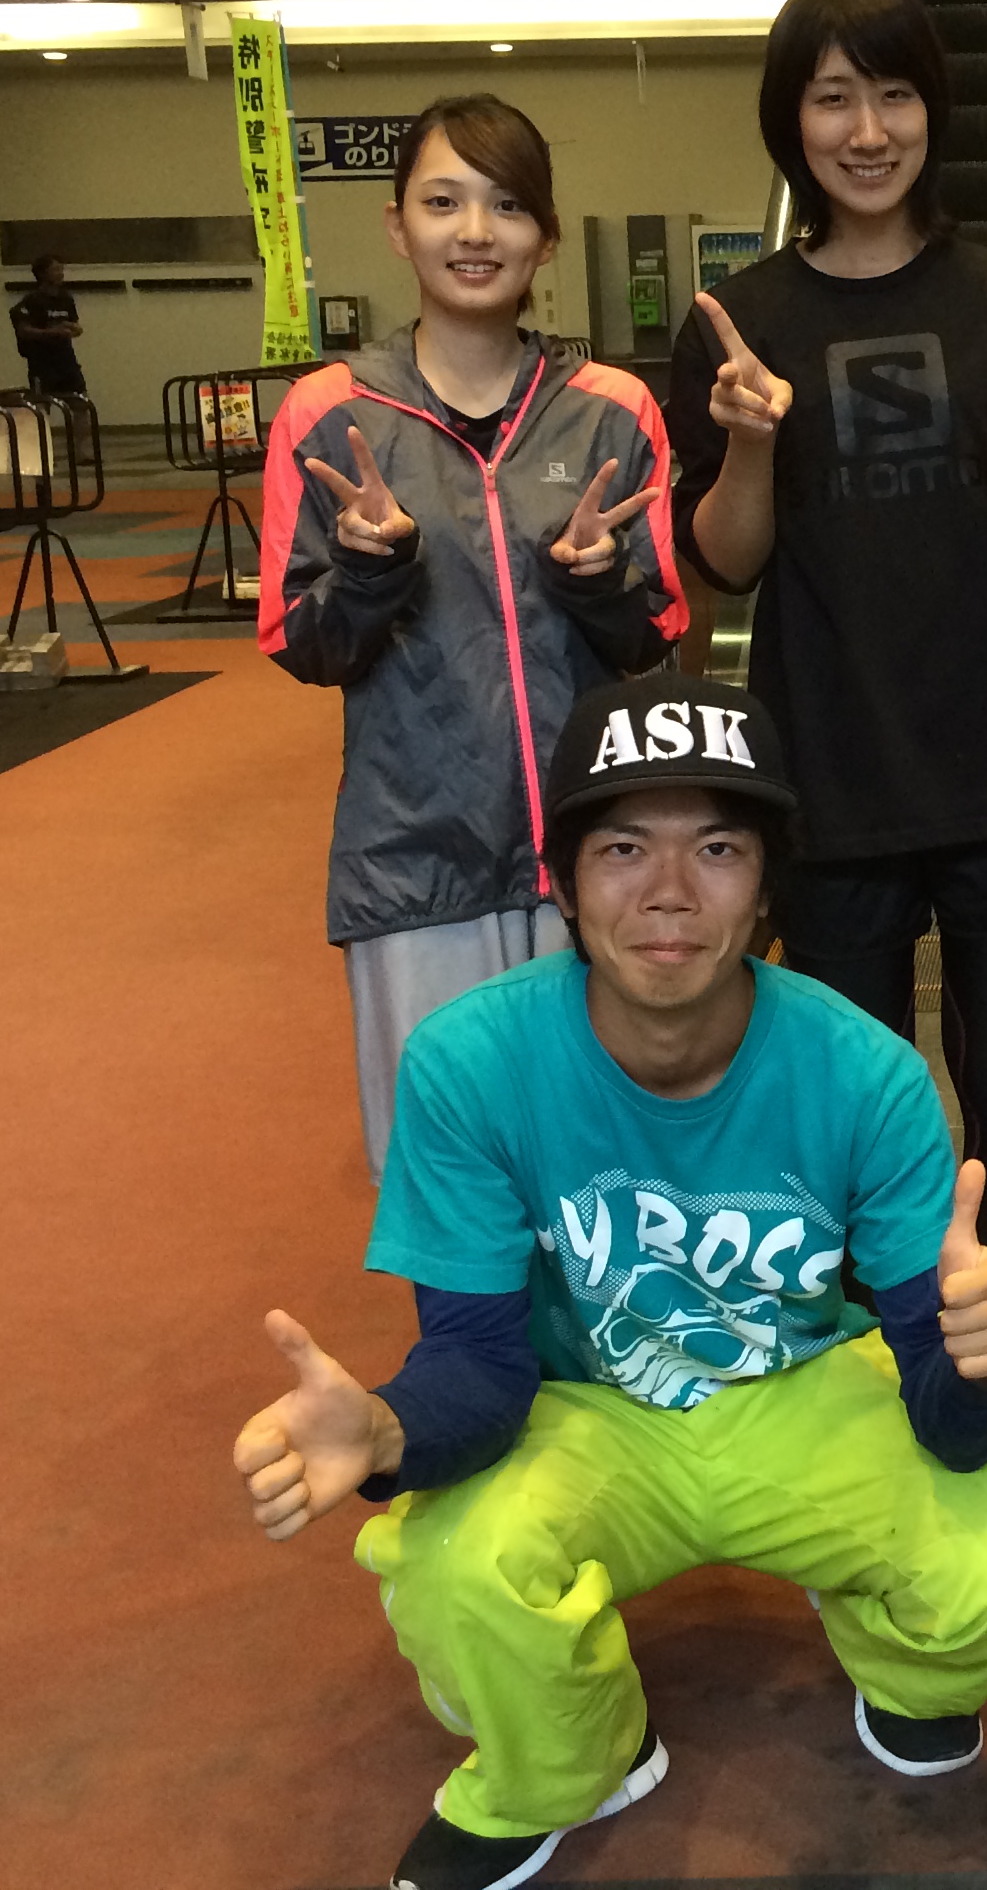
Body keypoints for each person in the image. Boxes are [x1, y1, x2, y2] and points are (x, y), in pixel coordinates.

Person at [232, 670, 987, 1890]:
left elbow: (952, 1429)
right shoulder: (469, 1062)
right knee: (452, 1574)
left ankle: (898, 1664)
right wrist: (386, 1431)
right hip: (581, 1410)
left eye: (720, 849)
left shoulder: (866, 1072)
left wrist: (979, 1367)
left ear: (768, 891)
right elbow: (477, 1364)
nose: (669, 892)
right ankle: (576, 1759)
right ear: (564, 882)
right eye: (623, 848)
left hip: (802, 1389)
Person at [664, 0, 987, 1281]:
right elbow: (727, 561)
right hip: (827, 771)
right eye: (833, 98)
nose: (867, 131)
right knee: (853, 1098)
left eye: (896, 95)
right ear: (788, 120)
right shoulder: (742, 325)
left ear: (934, 110)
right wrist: (750, 442)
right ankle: (878, 1348)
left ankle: (986, 1337)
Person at [261, 93, 686, 1175]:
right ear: (397, 227)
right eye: (442, 202)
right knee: (447, 1173)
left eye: (506, 205)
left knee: (609, 1172)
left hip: (599, 861)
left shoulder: (612, 409)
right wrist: (369, 570)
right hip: (416, 866)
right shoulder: (328, 414)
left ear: (545, 234)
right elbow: (300, 641)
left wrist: (597, 581)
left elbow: (655, 631)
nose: (475, 231)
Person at [9, 253, 85, 397]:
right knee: (42, 402)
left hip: (66, 360)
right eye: (55, 270)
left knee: (80, 400)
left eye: (61, 269)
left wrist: (74, 329)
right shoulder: (32, 300)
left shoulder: (66, 299)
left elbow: (75, 325)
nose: (60, 274)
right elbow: (23, 330)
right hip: (42, 363)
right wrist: (53, 332)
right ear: (43, 274)